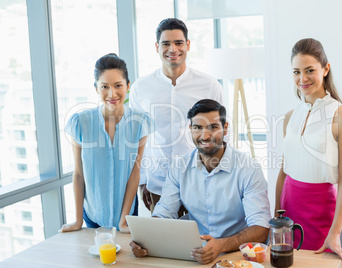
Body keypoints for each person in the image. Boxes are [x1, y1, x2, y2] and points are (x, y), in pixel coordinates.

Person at [129, 99, 271, 264]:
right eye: (198, 127)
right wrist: (146, 239)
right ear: (190, 129)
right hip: (196, 255)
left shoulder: (248, 169)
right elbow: (165, 211)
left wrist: (222, 245)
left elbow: (261, 228)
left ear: (225, 129)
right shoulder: (179, 167)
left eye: (213, 127)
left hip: (239, 256)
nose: (205, 136)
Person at [275, 38, 342, 265]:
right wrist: (276, 213)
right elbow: (284, 171)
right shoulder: (291, 116)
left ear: (325, 69)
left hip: (321, 211)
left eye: (309, 70)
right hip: (289, 204)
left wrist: (336, 232)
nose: (302, 79)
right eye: (296, 71)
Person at [129, 18, 223, 215]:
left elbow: (221, 135)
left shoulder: (208, 85)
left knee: (201, 240)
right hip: (158, 183)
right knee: (165, 241)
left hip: (200, 180)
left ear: (187, 45)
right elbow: (137, 138)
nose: (173, 49)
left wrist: (218, 178)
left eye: (179, 43)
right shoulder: (141, 87)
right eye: (166, 43)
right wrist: (143, 180)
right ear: (157, 47)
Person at [60, 53, 152, 233]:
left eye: (118, 85)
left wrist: (124, 220)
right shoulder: (81, 122)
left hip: (127, 215)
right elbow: (79, 174)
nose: (112, 94)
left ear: (128, 86)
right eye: (104, 87)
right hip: (93, 215)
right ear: (96, 88)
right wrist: (78, 221)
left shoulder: (141, 123)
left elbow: (135, 173)